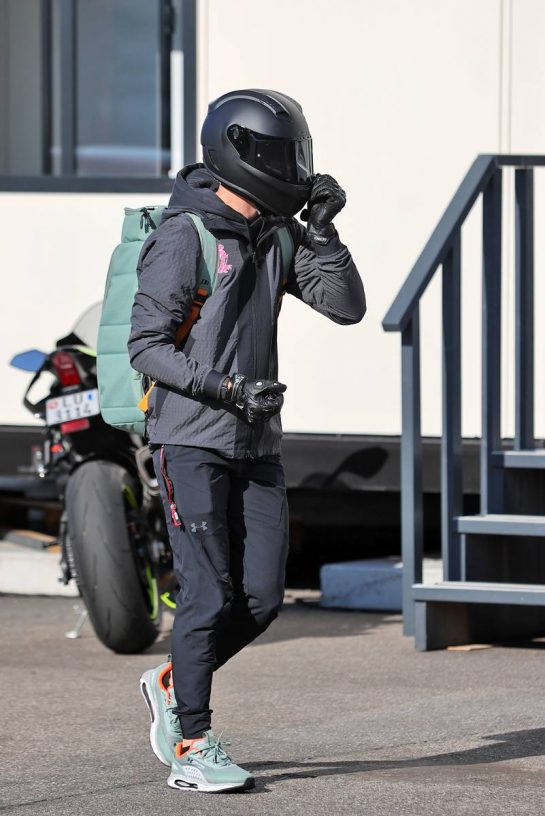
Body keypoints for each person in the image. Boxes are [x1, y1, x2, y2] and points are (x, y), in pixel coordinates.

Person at [129, 88, 366, 794]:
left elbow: (345, 307)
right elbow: (146, 347)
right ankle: (192, 743)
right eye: (285, 157)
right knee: (207, 595)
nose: (296, 169)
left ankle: (170, 680)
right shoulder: (185, 236)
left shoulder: (275, 234)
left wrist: (321, 232)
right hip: (192, 440)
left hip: (255, 443)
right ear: (243, 154)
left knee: (260, 599)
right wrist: (226, 389)